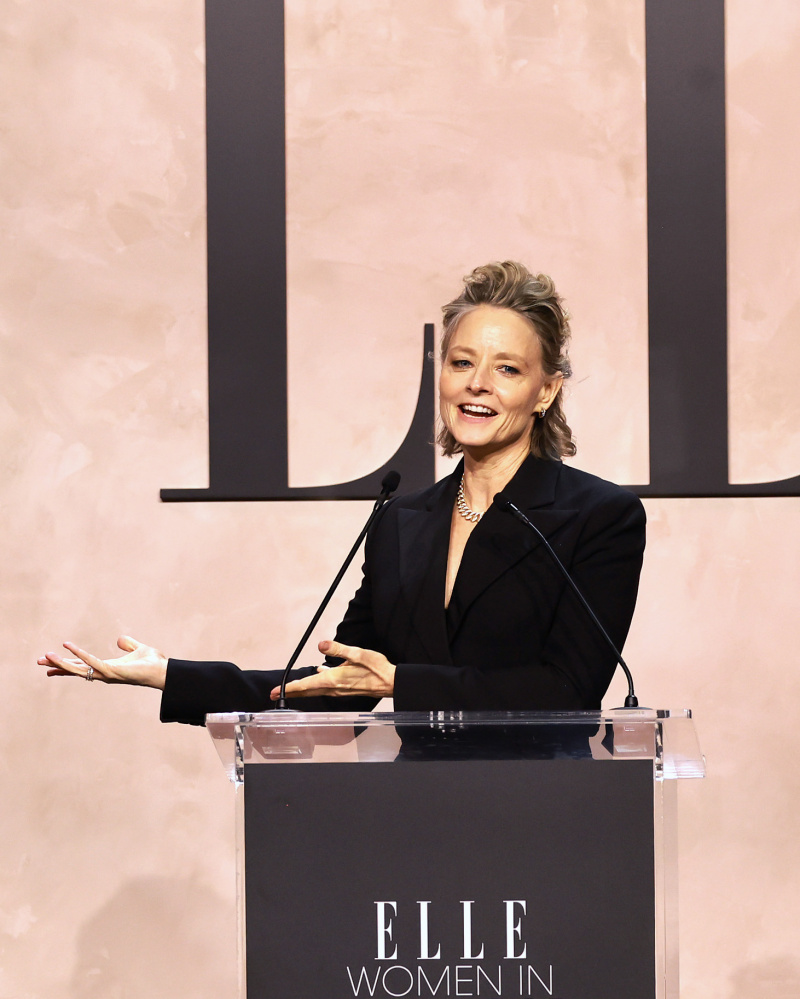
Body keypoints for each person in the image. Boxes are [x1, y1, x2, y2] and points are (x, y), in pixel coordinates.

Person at [40, 262, 646, 724]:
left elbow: (566, 690)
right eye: (462, 362)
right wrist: (169, 676)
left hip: (548, 821)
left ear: (546, 391)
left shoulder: (599, 517)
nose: (478, 385)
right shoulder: (401, 521)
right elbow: (332, 687)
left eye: (507, 369)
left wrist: (399, 684)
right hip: (408, 824)